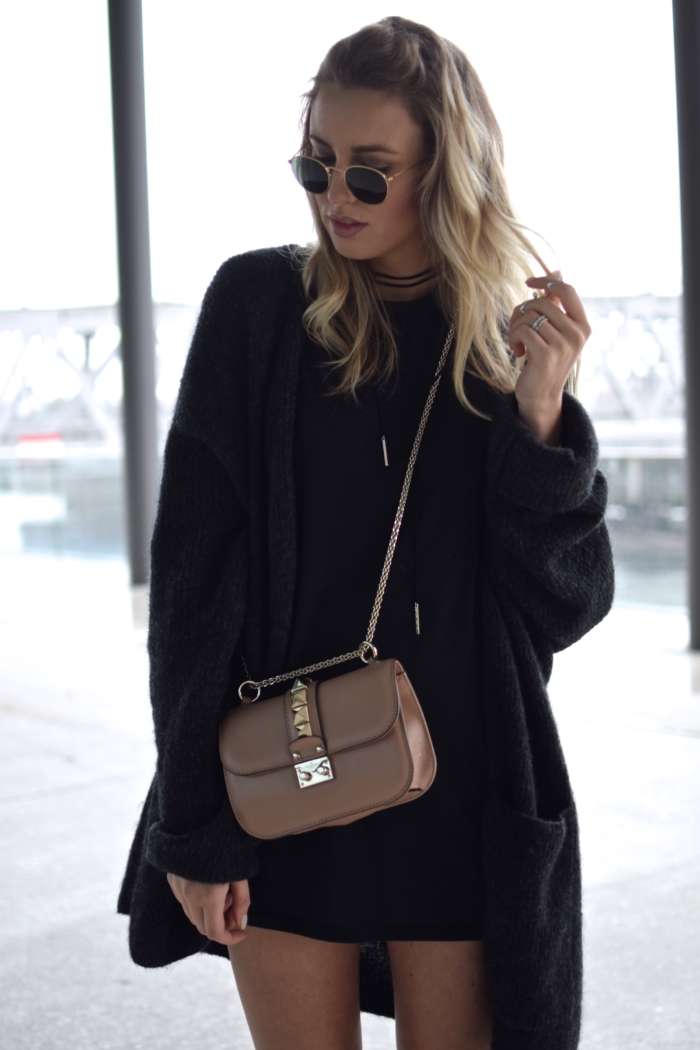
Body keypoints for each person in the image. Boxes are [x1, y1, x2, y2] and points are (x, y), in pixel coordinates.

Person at [118, 16, 614, 1050]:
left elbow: (564, 606)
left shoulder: (502, 346)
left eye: (370, 174)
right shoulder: (258, 308)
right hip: (282, 775)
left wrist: (539, 418)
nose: (334, 198)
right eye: (317, 165)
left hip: (465, 790)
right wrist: (195, 827)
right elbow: (192, 586)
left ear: (446, 170)